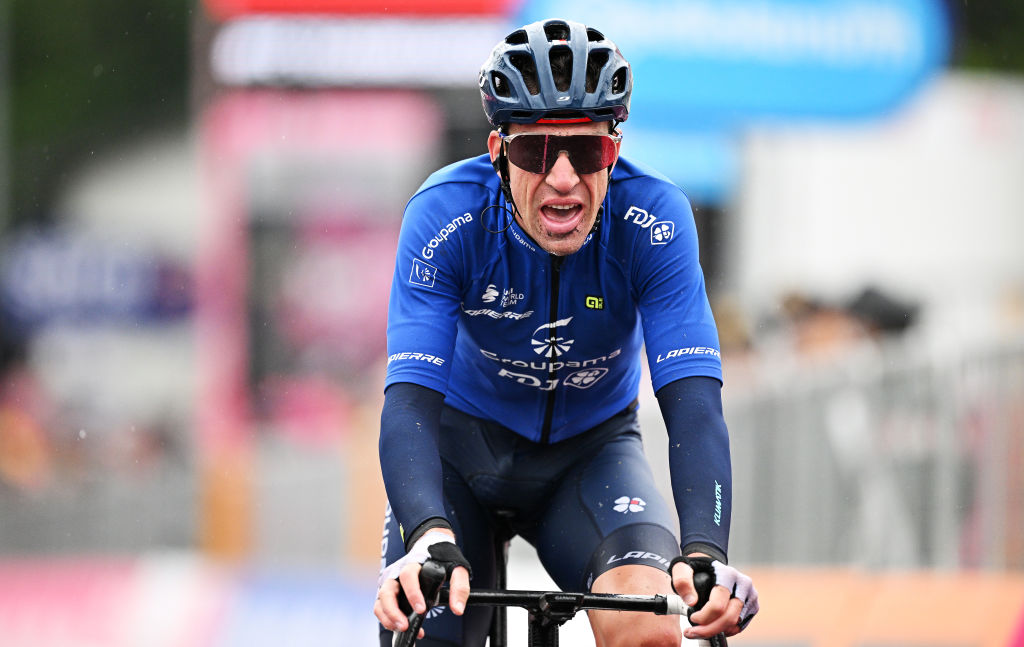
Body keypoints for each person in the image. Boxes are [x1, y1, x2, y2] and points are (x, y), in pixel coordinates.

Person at [374, 18, 758, 647]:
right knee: (427, 625)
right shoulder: (445, 216)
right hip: (459, 457)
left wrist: (705, 552)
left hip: (591, 457)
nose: (562, 179)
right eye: (535, 150)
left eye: (586, 152)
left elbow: (693, 402)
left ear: (615, 149)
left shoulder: (655, 219)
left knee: (650, 629)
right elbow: (409, 399)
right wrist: (427, 537)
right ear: (499, 153)